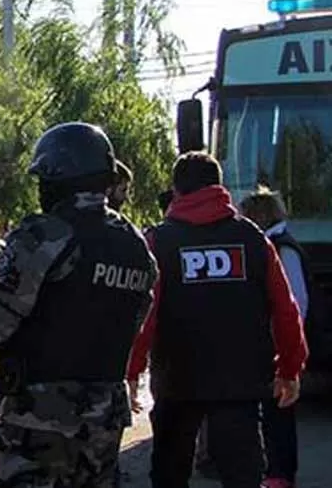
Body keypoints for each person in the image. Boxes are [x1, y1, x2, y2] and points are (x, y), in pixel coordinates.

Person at [0, 122, 158, 488]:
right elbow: (134, 321)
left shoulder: (46, 235)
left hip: (39, 419)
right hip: (103, 423)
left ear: (59, 176)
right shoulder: (135, 245)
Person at [126, 153, 307, 488]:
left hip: (177, 380)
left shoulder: (159, 242)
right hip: (240, 381)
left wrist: (132, 370)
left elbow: (144, 314)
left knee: (169, 473)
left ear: (177, 190)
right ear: (219, 186)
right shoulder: (254, 240)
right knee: (242, 475)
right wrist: (289, 369)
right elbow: (286, 309)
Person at [240, 186, 310, 488]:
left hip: (278, 345)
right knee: (272, 412)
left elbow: (297, 303)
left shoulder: (282, 249)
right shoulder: (277, 246)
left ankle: (281, 473)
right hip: (272, 343)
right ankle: (277, 471)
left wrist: (285, 345)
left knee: (278, 412)